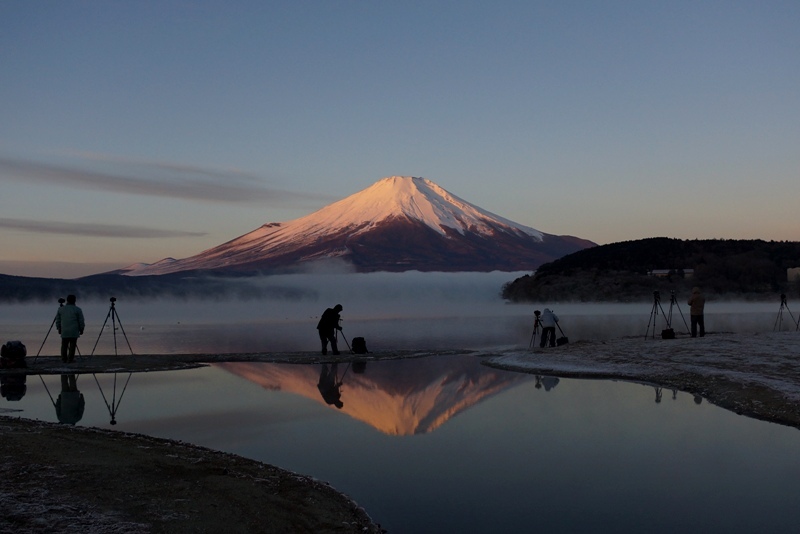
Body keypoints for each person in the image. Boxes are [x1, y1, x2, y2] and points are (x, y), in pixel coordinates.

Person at [56, 294, 85, 363]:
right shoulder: (78, 310)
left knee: (64, 345)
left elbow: (58, 320)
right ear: (74, 300)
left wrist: (59, 328)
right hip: (74, 330)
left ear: (67, 300)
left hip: (64, 330)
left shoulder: (61, 309)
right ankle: (70, 359)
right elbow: (81, 320)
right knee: (72, 345)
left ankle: (64, 359)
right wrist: (81, 329)